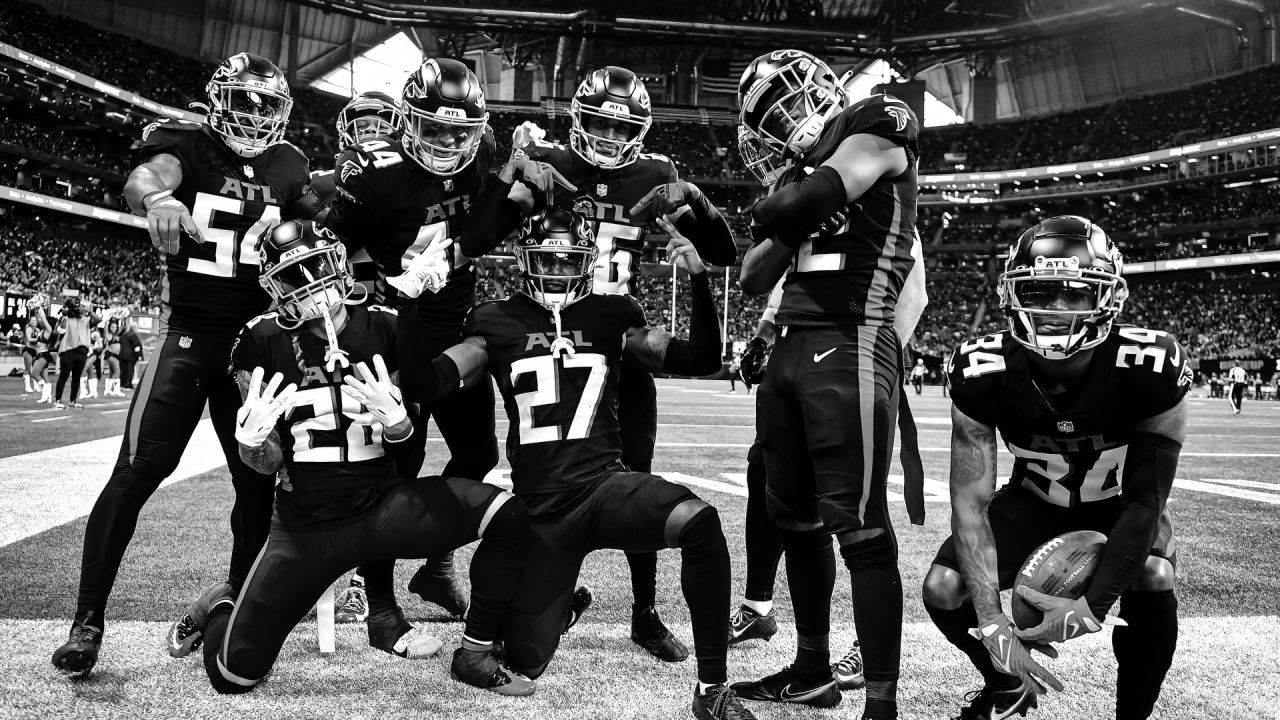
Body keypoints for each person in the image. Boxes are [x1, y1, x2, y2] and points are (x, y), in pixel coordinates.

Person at [408, 208, 755, 720]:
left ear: (587, 262)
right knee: (526, 659)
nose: (555, 271)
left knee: (699, 524)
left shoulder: (613, 314)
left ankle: (711, 688)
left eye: (568, 260)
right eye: (545, 259)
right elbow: (431, 381)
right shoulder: (494, 319)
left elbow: (701, 358)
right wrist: (415, 304)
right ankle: (551, 609)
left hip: (603, 487)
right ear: (525, 259)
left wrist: (700, 280)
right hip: (540, 510)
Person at [178, 220, 533, 696]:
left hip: (382, 507)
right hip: (306, 527)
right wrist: (251, 442)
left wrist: (400, 424)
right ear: (276, 288)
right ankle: (220, 605)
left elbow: (408, 451)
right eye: (295, 277)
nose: (313, 287)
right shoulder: (259, 339)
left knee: (508, 515)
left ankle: (475, 651)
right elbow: (266, 464)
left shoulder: (386, 325)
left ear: (340, 264)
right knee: (233, 677)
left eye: (318, 267)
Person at [51, 52, 318, 677]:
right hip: (191, 338)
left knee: (259, 487)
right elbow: (146, 177)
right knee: (139, 470)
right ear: (216, 100)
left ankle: (234, 608)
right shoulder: (186, 144)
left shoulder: (289, 164)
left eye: (265, 105)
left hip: (254, 351)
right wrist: (159, 199)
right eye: (242, 102)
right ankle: (88, 620)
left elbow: (311, 221)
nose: (253, 117)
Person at [460, 65, 738, 663]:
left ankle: (644, 613)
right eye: (600, 125)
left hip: (620, 340)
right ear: (578, 121)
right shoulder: (548, 161)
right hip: (551, 332)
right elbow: (479, 238)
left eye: (622, 128)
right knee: (547, 473)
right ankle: (549, 588)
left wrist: (697, 201)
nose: (610, 139)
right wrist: (510, 180)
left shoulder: (657, 176)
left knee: (636, 472)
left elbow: (721, 253)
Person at [921, 216, 1188, 720]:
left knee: (1154, 575)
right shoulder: (984, 368)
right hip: (1034, 501)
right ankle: (1006, 685)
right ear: (1011, 293)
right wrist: (992, 621)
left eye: (1073, 294)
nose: (1053, 309)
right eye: (1041, 291)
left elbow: (1145, 500)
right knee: (942, 587)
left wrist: (1091, 609)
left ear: (1107, 297)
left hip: (1119, 507)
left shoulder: (1151, 364)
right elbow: (970, 504)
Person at [735, 49, 921, 720]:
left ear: (821, 89)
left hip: (854, 338)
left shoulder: (877, 122)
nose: (784, 119)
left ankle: (881, 704)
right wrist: (785, 210)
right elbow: (756, 274)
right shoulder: (798, 173)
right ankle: (813, 669)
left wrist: (786, 206)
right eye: (769, 115)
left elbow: (811, 201)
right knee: (795, 519)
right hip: (791, 342)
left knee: (862, 530)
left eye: (788, 100)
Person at [320, 59, 502, 620]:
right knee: (398, 461)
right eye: (436, 127)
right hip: (396, 333)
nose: (448, 142)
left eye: (459, 131)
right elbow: (333, 252)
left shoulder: (485, 154)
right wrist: (378, 299)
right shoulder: (375, 173)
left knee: (477, 455)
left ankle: (437, 565)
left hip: (459, 329)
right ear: (408, 120)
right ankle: (375, 597)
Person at [307, 89, 406, 624]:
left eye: (380, 121)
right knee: (331, 465)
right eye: (361, 122)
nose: (371, 130)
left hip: (390, 337)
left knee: (391, 466)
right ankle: (322, 575)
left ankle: (373, 584)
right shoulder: (326, 183)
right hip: (334, 341)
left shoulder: (413, 183)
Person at [53, 296, 100, 410]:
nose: (79, 309)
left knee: (77, 377)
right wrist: (64, 315)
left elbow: (98, 319)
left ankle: (72, 401)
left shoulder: (85, 319)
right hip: (68, 350)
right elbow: (58, 332)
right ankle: (57, 400)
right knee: (63, 376)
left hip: (82, 351)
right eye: (76, 307)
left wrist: (88, 311)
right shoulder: (66, 319)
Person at [116, 316, 143, 391]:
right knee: (129, 370)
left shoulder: (124, 335)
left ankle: (122, 384)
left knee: (123, 370)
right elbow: (136, 346)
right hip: (130, 356)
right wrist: (139, 355)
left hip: (122, 355)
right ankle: (127, 384)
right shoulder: (133, 335)